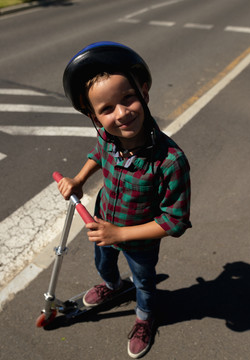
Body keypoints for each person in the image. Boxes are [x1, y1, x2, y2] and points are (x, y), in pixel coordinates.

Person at [58, 41, 191, 358]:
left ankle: (145, 318)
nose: (121, 114)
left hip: (140, 240)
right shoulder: (108, 135)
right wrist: (78, 179)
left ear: (143, 92)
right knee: (103, 262)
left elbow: (174, 221)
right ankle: (114, 285)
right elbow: (97, 155)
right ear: (93, 115)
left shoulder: (171, 161)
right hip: (102, 224)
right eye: (106, 109)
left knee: (144, 282)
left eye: (128, 98)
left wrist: (121, 234)